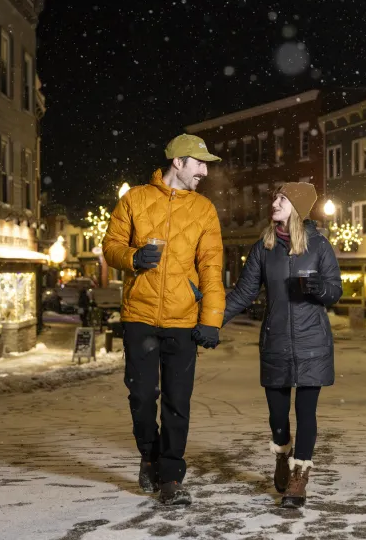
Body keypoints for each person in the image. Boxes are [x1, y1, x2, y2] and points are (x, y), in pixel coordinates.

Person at [102, 134, 225, 506]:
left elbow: (211, 267)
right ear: (178, 163)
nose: (205, 171)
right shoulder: (135, 200)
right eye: (199, 163)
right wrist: (133, 258)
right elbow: (111, 246)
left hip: (182, 320)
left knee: (177, 402)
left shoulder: (204, 210)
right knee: (141, 397)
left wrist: (211, 320)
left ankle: (170, 477)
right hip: (139, 315)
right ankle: (149, 454)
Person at [222, 182, 342, 509]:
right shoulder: (264, 246)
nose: (274, 202)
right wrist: (212, 321)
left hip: (312, 344)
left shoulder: (319, 246)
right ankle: (281, 453)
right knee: (278, 416)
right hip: (275, 343)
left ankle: (299, 478)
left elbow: (335, 291)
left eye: (282, 198)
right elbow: (244, 293)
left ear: (297, 207)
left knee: (306, 414)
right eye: (275, 197)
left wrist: (320, 288)